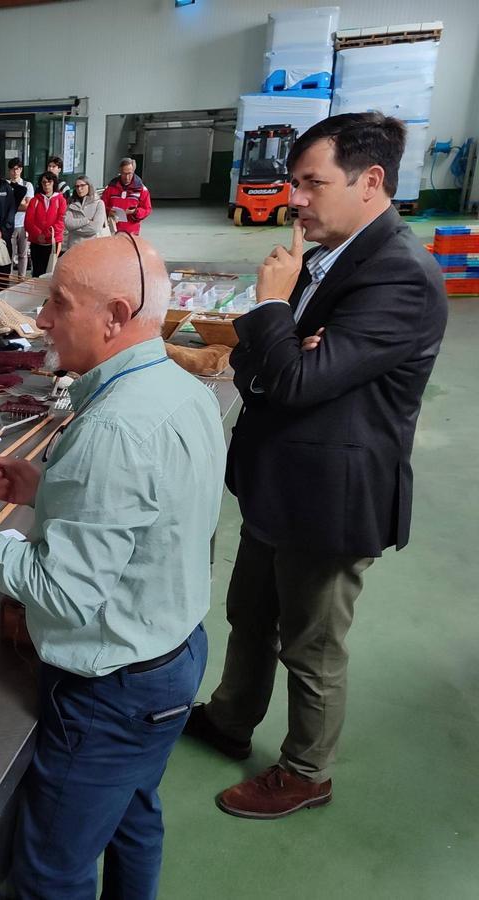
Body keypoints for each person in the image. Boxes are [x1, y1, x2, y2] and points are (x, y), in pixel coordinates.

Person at [0, 234, 225, 898]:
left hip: (112, 693)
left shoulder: (113, 429)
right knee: (134, 819)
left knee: (50, 872)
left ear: (115, 316)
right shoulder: (182, 391)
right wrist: (52, 491)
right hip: (174, 659)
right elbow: (160, 512)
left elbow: (62, 593)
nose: (40, 321)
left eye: (58, 304)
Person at [184, 112, 449, 819]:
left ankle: (306, 772)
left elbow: (297, 380)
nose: (294, 199)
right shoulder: (330, 257)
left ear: (370, 181)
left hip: (332, 497)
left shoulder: (399, 275)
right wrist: (286, 348)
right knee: (249, 615)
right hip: (280, 481)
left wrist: (276, 309)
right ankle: (230, 717)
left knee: (313, 644)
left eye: (311, 183)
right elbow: (255, 367)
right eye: (293, 182)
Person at [24, 172, 67, 277]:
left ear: (54, 183)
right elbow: (28, 221)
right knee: (37, 272)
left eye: (49, 182)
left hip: (53, 242)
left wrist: (46, 234)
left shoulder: (61, 200)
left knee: (51, 272)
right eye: (44, 182)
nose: (46, 184)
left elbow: (61, 221)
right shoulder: (34, 200)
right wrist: (39, 235)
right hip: (36, 242)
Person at [102, 158, 152, 235]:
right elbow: (102, 205)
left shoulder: (141, 189)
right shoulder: (110, 188)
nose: (127, 177)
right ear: (120, 172)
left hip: (131, 231)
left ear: (133, 171)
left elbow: (147, 209)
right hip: (112, 229)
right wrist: (109, 211)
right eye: (124, 173)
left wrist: (135, 212)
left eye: (129, 173)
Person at [63, 176, 107, 252]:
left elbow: (95, 228)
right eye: (77, 186)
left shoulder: (99, 203)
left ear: (89, 186)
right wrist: (86, 220)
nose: (79, 189)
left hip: (92, 247)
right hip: (74, 246)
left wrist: (74, 229)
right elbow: (68, 224)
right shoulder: (71, 203)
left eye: (82, 185)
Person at [8, 158, 34, 277]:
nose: (15, 172)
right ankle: (8, 277)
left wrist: (13, 205)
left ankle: (21, 278)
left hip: (24, 224)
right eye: (12, 169)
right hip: (10, 224)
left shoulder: (27, 185)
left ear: (21, 170)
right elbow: (6, 206)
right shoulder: (6, 185)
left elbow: (28, 206)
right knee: (10, 254)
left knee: (23, 254)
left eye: (17, 169)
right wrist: (20, 203)